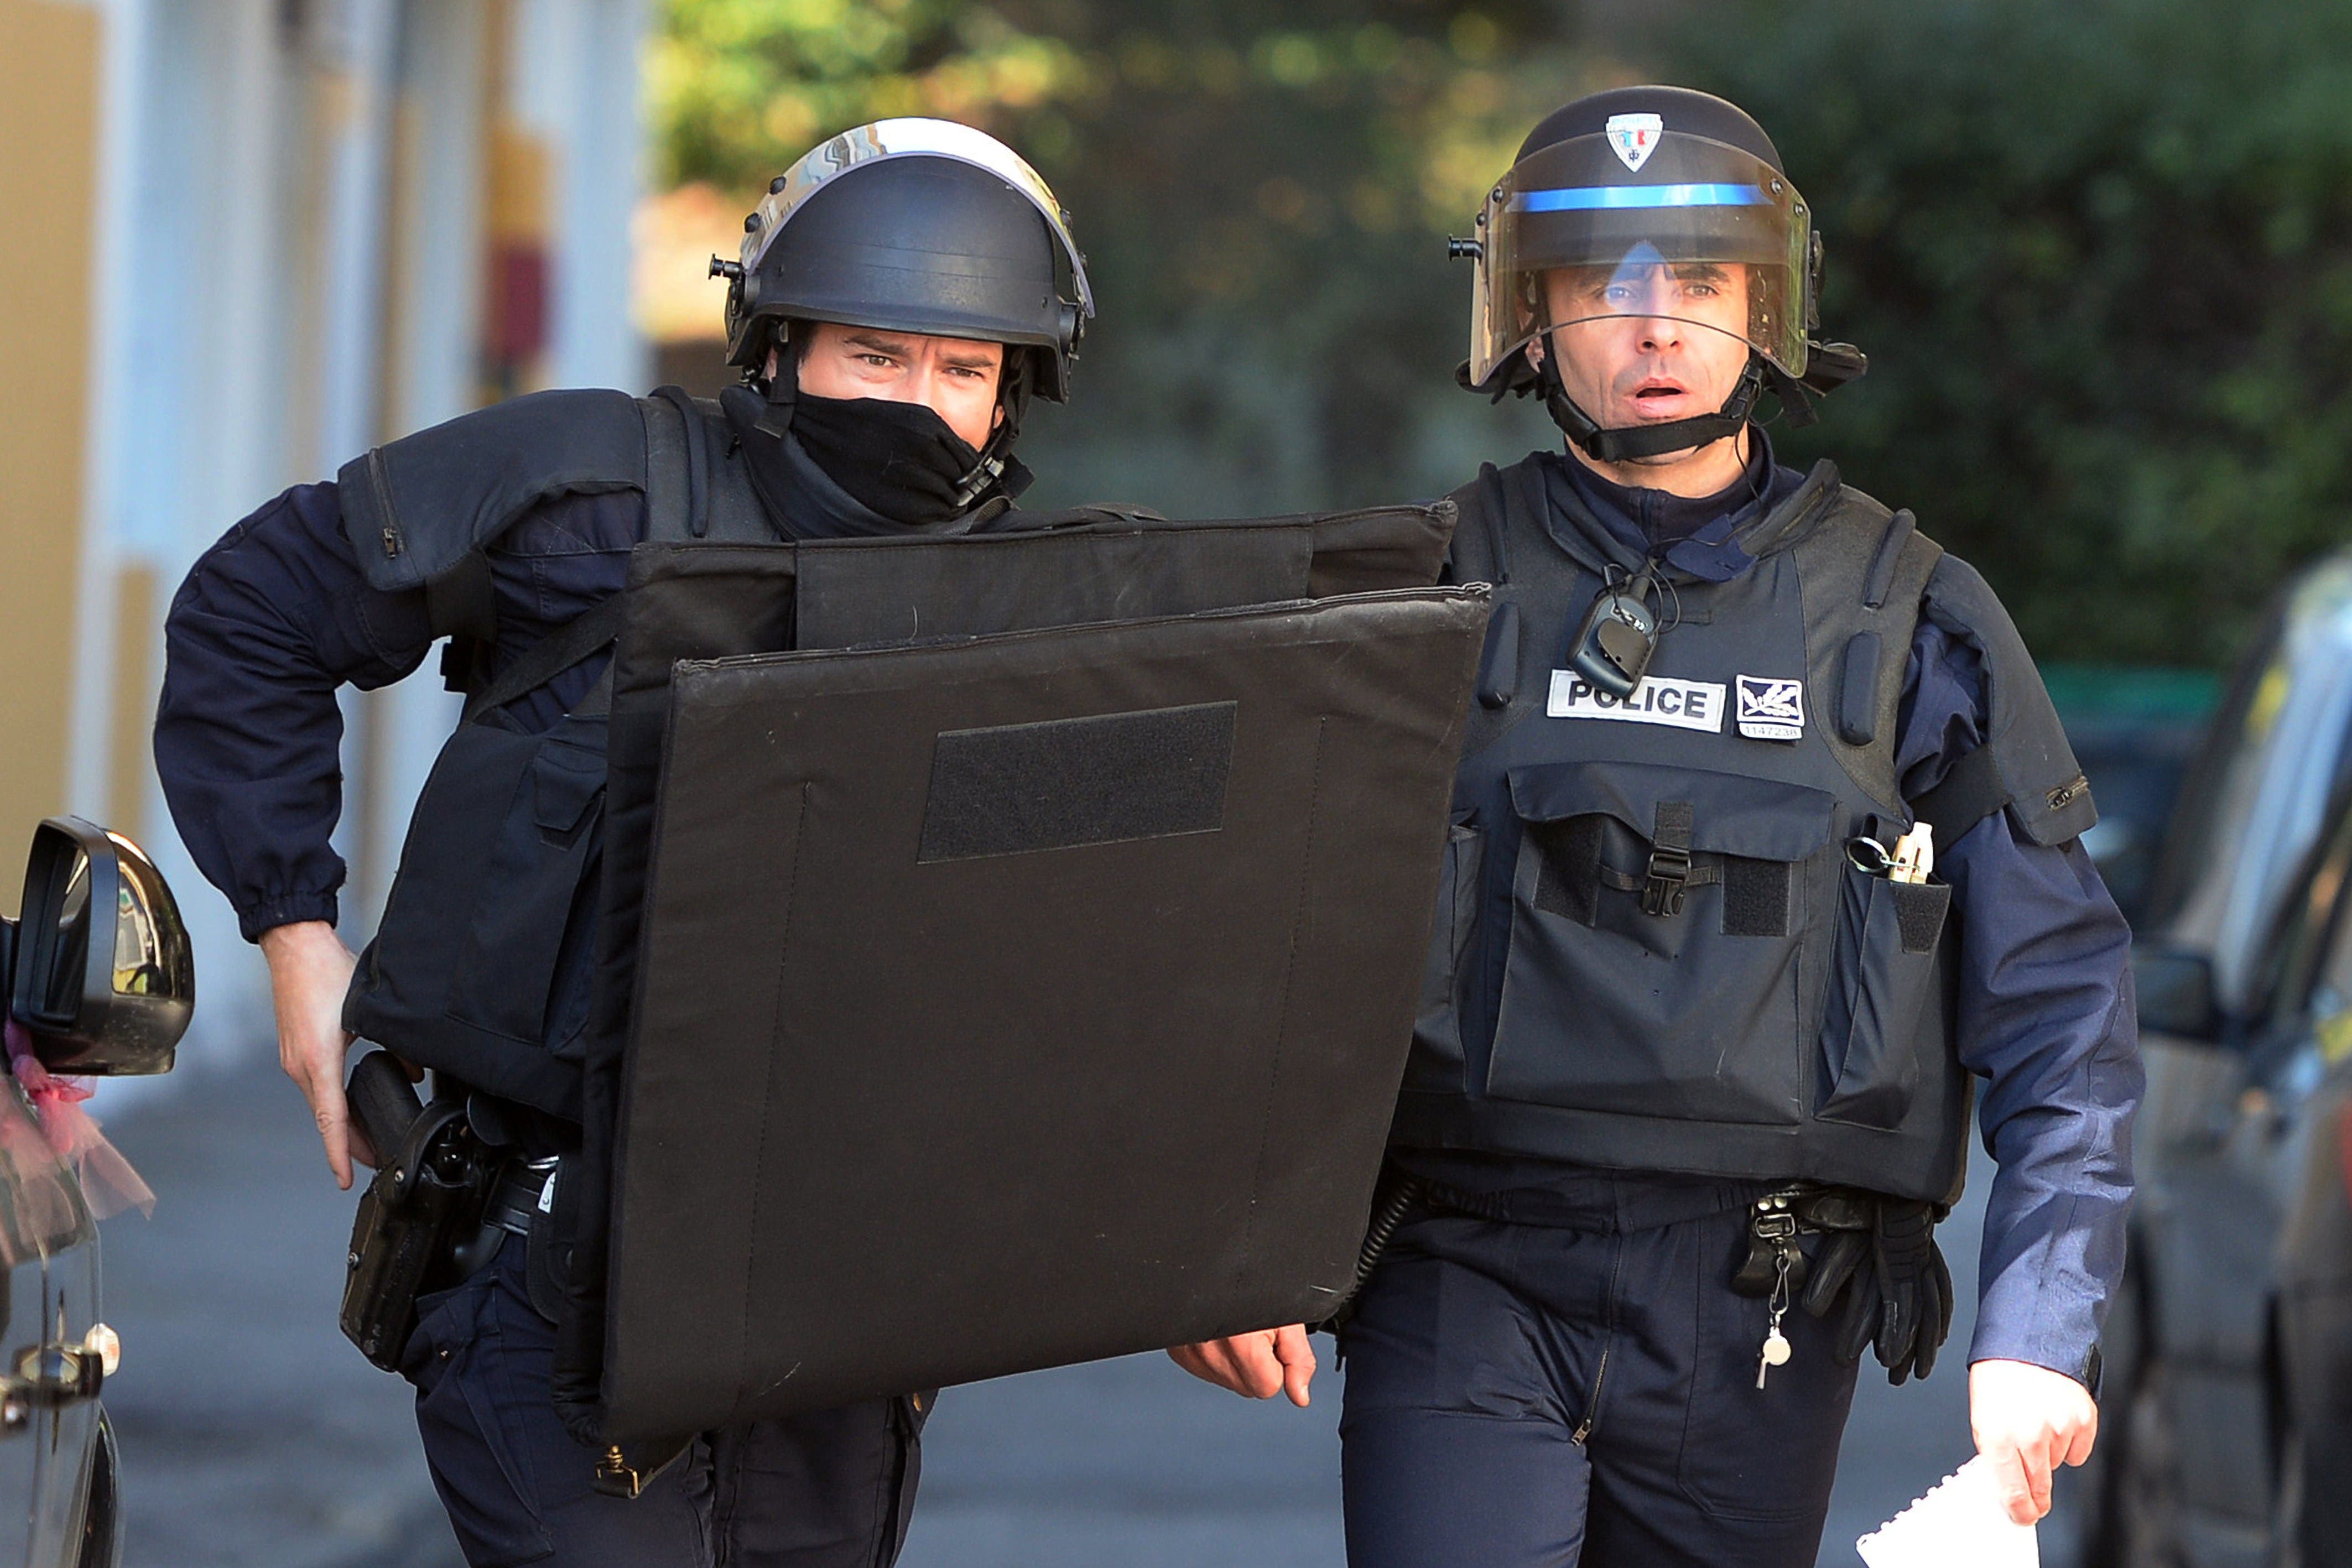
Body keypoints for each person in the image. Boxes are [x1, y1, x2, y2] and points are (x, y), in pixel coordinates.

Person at [1170, 84, 2140, 1567]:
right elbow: (1244, 930)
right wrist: (1218, 1241)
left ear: (1767, 309)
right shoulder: (1420, 589)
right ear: (1526, 320)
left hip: (1760, 1296)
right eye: (1599, 286)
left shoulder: (1912, 620)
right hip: (1458, 1266)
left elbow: (2064, 1007)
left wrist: (2035, 1330)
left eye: (1696, 280)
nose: (1651, 323)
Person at [154, 119, 1092, 1568]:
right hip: (537, 1262)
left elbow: (1115, 938)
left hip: (837, 1307)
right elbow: (252, 616)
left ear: (1009, 400)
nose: (916, 404)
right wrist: (296, 936)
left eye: (961, 370)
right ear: (775, 347)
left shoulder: (1026, 610)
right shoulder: (597, 491)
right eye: (873, 355)